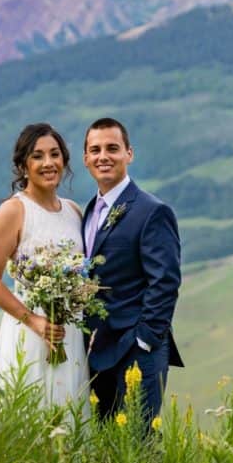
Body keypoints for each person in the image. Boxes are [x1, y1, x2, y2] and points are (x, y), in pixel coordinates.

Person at [0, 122, 90, 415]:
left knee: (71, 413)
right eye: (38, 156)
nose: (48, 163)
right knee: (34, 414)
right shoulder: (13, 211)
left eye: (55, 154)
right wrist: (34, 321)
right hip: (31, 332)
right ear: (23, 165)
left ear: (64, 160)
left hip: (68, 330)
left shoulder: (73, 211)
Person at [82, 117, 182, 423]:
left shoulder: (152, 211)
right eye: (95, 149)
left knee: (139, 444)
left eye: (112, 148)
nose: (104, 156)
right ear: (86, 158)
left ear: (129, 153)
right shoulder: (89, 210)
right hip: (97, 353)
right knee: (105, 446)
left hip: (136, 349)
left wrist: (145, 339)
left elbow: (165, 281)